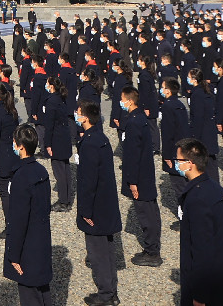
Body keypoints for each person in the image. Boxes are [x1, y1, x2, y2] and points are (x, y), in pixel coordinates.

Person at [174, 137, 223, 306]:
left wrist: (199, 295)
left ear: (190, 163)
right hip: (222, 276)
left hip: (208, 286)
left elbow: (202, 250)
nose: (176, 164)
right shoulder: (214, 188)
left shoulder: (197, 199)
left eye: (178, 160)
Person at [76, 100, 122, 306]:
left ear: (85, 117)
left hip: (95, 207)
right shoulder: (101, 138)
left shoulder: (89, 144)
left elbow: (88, 181)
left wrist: (85, 211)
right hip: (106, 204)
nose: (76, 115)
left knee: (98, 252)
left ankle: (105, 294)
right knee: (107, 249)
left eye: (79, 112)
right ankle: (111, 291)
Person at [5, 123, 54, 306]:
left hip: (27, 246)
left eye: (14, 142)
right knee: (42, 291)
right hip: (41, 238)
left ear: (21, 147)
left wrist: (14, 255)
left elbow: (18, 220)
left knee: (29, 294)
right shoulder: (41, 171)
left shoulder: (21, 177)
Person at [119, 86, 162, 267]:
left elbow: (132, 154)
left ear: (129, 101)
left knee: (146, 214)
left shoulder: (134, 122)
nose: (121, 102)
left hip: (140, 176)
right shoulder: (140, 117)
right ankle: (152, 247)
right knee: (150, 211)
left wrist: (132, 181)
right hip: (145, 172)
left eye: (122, 99)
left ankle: (152, 252)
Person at [0, 82, 20, 237]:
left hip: (1, 157)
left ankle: (11, 226)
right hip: (13, 155)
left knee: (5, 193)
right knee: (13, 191)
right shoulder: (11, 109)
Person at [39, 74, 73, 210]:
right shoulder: (60, 97)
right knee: (65, 169)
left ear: (51, 86)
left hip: (56, 139)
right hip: (64, 136)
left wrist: (47, 144)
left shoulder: (51, 101)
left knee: (59, 171)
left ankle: (63, 201)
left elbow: (49, 125)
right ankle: (67, 198)